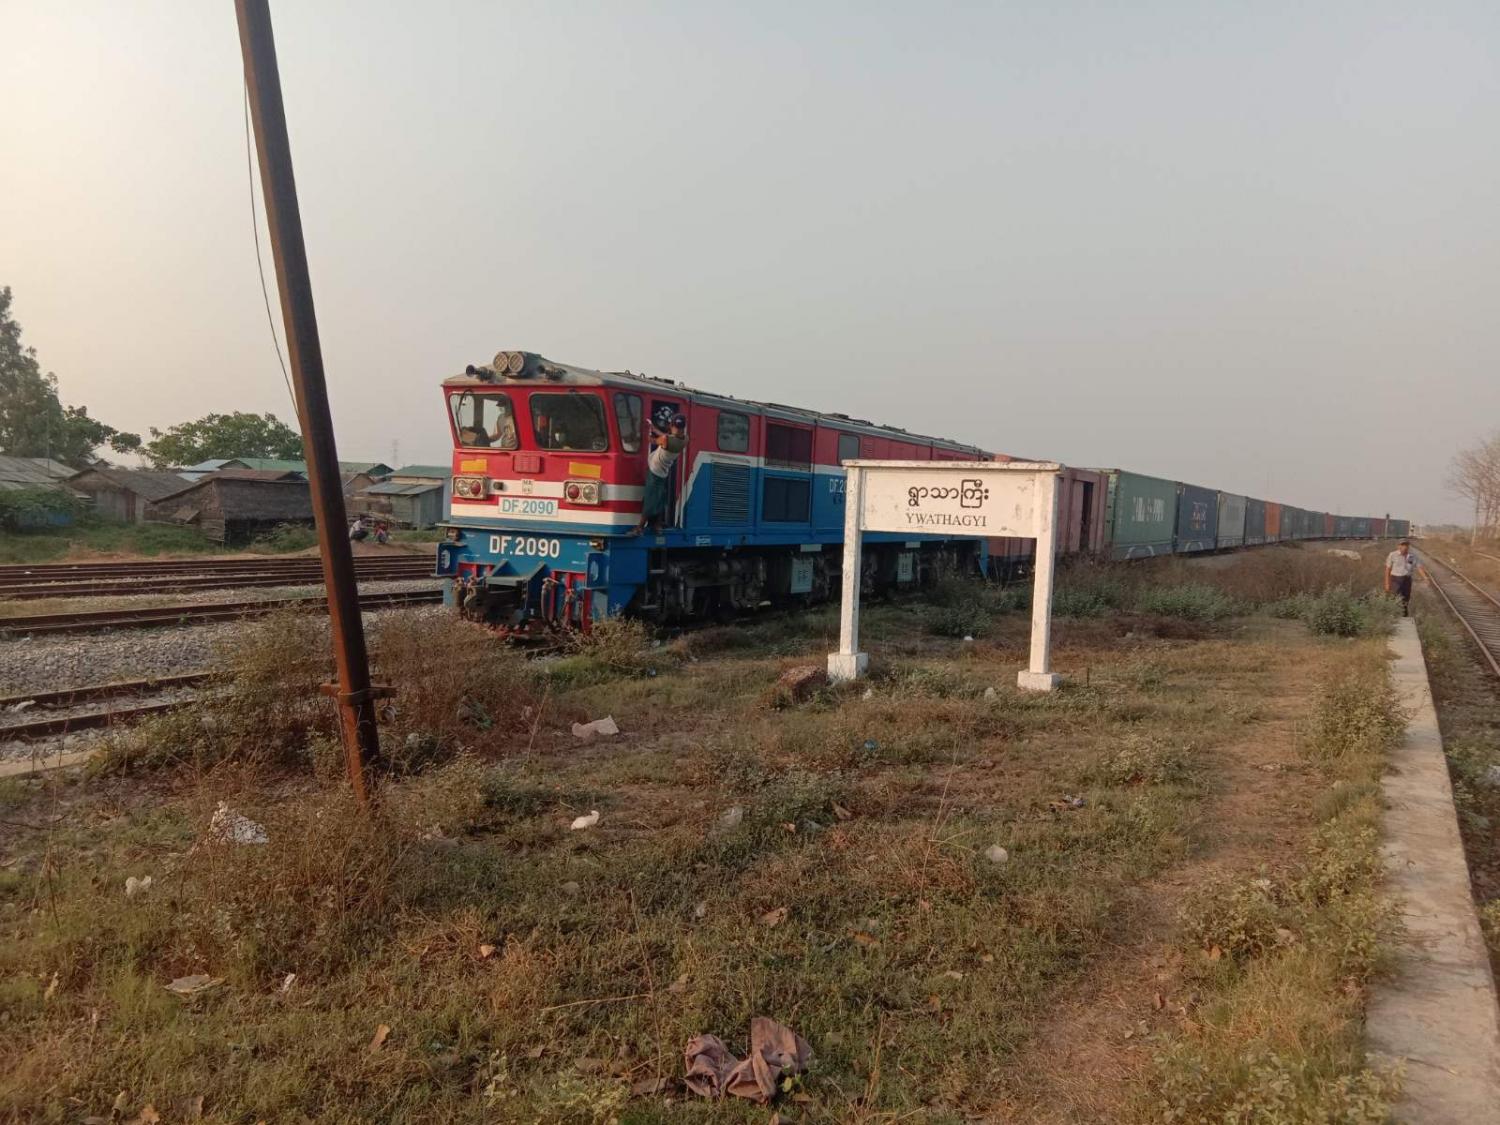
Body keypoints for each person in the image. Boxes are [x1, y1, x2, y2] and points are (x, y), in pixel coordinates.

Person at [633, 414, 687, 534]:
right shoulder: (684, 439)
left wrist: (644, 431)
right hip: (663, 472)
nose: (677, 429)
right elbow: (666, 436)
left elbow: (651, 440)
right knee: (659, 499)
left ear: (671, 426)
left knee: (650, 500)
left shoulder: (666, 440)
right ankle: (657, 526)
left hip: (654, 471)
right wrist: (653, 428)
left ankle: (639, 527)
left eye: (676, 427)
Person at [1384, 538, 1425, 617]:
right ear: (1398, 546)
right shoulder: (1393, 555)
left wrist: (1425, 577)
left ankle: (1404, 615)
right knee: (1395, 598)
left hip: (1407, 580)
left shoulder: (1411, 556)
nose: (1404, 547)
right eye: (1402, 545)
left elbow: (1419, 567)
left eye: (1406, 545)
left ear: (1408, 546)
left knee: (1406, 599)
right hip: (1396, 580)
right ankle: (1393, 615)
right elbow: (1387, 569)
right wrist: (1387, 583)